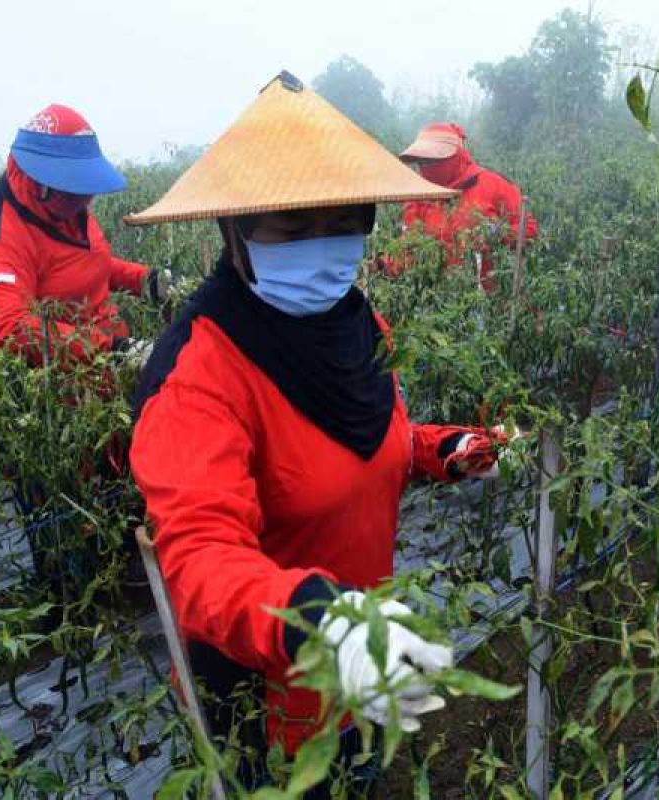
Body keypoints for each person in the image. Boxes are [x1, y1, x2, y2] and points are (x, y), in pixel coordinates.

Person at [125, 71, 510, 795]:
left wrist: (443, 449)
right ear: (236, 230)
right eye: (291, 227)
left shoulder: (356, 323)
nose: (323, 246)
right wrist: (316, 621)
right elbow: (201, 556)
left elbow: (371, 440)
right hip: (269, 701)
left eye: (342, 222)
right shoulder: (199, 374)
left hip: (359, 670)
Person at [0, 104, 164, 367]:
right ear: (42, 183)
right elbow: (9, 327)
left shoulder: (63, 206)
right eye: (78, 186)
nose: (88, 199)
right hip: (67, 389)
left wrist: (147, 280)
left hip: (111, 368)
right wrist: (115, 350)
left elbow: (79, 264)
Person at [388, 122, 538, 291]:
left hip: (488, 296)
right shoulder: (419, 197)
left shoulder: (491, 185)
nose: (426, 167)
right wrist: (383, 265)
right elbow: (410, 246)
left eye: (432, 160)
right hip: (439, 298)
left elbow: (529, 229)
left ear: (454, 156)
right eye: (422, 161)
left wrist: (497, 234)